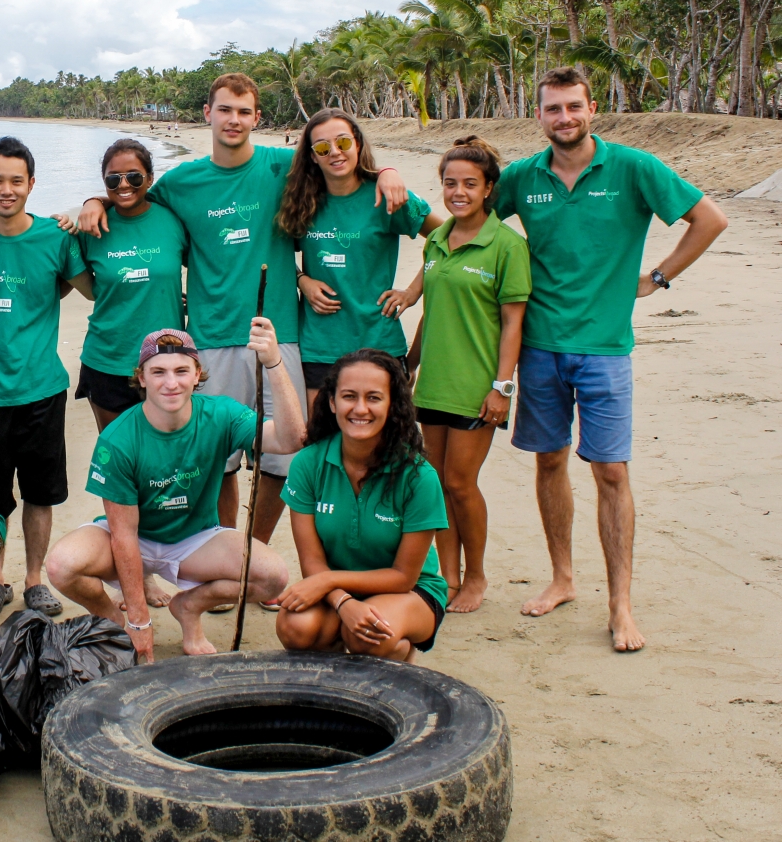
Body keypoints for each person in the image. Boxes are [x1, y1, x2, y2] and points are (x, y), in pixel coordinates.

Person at [76, 75, 408, 549]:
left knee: (288, 455)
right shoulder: (182, 182)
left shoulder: (283, 166)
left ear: (257, 118)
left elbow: (340, 163)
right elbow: (132, 196)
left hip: (280, 334)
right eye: (225, 110)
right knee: (219, 460)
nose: (234, 120)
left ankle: (256, 551)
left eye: (244, 111)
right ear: (207, 113)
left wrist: (388, 171)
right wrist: (94, 200)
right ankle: (224, 553)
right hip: (210, 337)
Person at [491, 66, 728, 651]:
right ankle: (563, 579)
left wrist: (659, 278)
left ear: (592, 107)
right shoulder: (523, 177)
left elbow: (710, 219)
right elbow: (468, 219)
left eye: (574, 107)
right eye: (553, 109)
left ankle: (621, 605)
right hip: (540, 347)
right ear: (538, 114)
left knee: (611, 472)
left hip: (605, 350)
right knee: (549, 463)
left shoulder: (633, 168)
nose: (564, 118)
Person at [45, 326, 302, 662]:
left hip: (195, 539)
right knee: (62, 566)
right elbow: (123, 536)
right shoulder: (119, 439)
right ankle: (112, 620)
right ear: (141, 378)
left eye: (182, 371)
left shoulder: (221, 414)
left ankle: (189, 607)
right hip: (134, 537)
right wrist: (139, 621)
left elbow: (291, 439)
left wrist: (273, 363)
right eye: (158, 372)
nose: (171, 383)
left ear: (197, 374)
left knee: (273, 578)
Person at [0, 136, 93, 619]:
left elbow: (88, 288)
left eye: (16, 180)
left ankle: (34, 581)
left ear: (32, 184)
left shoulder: (56, 238)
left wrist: (88, 212)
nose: (6, 190)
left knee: (40, 493)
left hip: (42, 390)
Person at [405, 137, 530, 614]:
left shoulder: (507, 245)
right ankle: (449, 577)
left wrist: (503, 388)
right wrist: (410, 364)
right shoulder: (438, 238)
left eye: (469, 184)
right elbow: (431, 311)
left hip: (478, 386)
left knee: (461, 482)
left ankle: (476, 577)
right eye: (450, 183)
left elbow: (513, 323)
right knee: (436, 484)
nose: (458, 192)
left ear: (489, 188)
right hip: (433, 382)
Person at [275, 350, 450, 662]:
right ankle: (336, 677)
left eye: (373, 398)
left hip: (407, 591)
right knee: (296, 626)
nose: (360, 408)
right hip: (338, 589)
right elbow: (312, 562)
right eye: (349, 396)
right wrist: (343, 602)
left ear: (392, 404)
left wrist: (330, 581)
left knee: (369, 634)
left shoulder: (419, 477)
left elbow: (402, 577)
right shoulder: (308, 463)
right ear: (332, 402)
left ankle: (399, 652)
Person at [280, 109, 440, 399]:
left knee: (383, 441)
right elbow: (270, 253)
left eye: (342, 142)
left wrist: (413, 292)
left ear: (357, 144)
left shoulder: (386, 195)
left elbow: (449, 239)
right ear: (313, 156)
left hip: (379, 341)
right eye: (322, 147)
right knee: (322, 441)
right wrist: (302, 279)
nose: (334, 153)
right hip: (320, 345)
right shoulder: (301, 201)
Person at [56, 139, 188, 429]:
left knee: (168, 454)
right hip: (108, 360)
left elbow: (209, 269)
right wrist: (57, 229)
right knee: (118, 458)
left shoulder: (175, 220)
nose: (123, 184)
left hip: (167, 359)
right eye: (113, 179)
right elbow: (68, 281)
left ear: (150, 179)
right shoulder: (89, 228)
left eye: (134, 176)